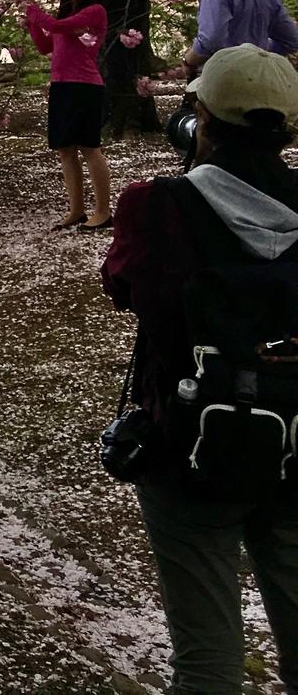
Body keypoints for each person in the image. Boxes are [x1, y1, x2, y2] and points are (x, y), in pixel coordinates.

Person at [102, 46, 298, 692]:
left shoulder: (155, 206)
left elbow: (123, 288)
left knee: (207, 662)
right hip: (295, 449)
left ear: (203, 119)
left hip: (187, 448)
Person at [26, 0, 113, 231]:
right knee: (65, 149)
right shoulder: (66, 15)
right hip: (62, 86)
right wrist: (31, 21)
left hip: (85, 87)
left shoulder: (94, 12)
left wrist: (33, 9)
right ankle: (76, 209)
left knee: (89, 148)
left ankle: (103, 211)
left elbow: (53, 25)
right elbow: (44, 46)